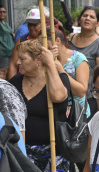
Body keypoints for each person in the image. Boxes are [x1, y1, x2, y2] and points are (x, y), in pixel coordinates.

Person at [9, 40, 70, 171]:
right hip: (22, 152)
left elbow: (58, 96)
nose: (18, 62)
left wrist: (50, 64)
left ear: (37, 60)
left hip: (53, 153)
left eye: (22, 59)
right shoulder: (15, 82)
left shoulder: (59, 79)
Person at [69, 6, 99, 118]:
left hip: (88, 98)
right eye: (85, 15)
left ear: (98, 23)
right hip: (67, 96)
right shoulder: (70, 39)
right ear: (80, 19)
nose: (87, 18)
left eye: (92, 17)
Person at [46, 27, 91, 119]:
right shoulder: (45, 60)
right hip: (55, 112)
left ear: (57, 41)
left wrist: (62, 72)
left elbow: (81, 91)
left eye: (46, 45)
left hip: (76, 114)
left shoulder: (78, 58)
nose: (44, 49)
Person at [8, 8, 42, 80]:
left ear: (42, 24)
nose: (32, 28)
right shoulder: (22, 39)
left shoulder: (47, 40)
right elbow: (13, 64)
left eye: (35, 25)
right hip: (24, 80)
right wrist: (12, 85)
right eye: (29, 25)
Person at [0, 5, 14, 79]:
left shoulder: (5, 22)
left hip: (9, 51)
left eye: (4, 12)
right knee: (2, 71)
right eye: (0, 12)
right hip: (3, 52)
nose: (2, 14)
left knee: (8, 70)